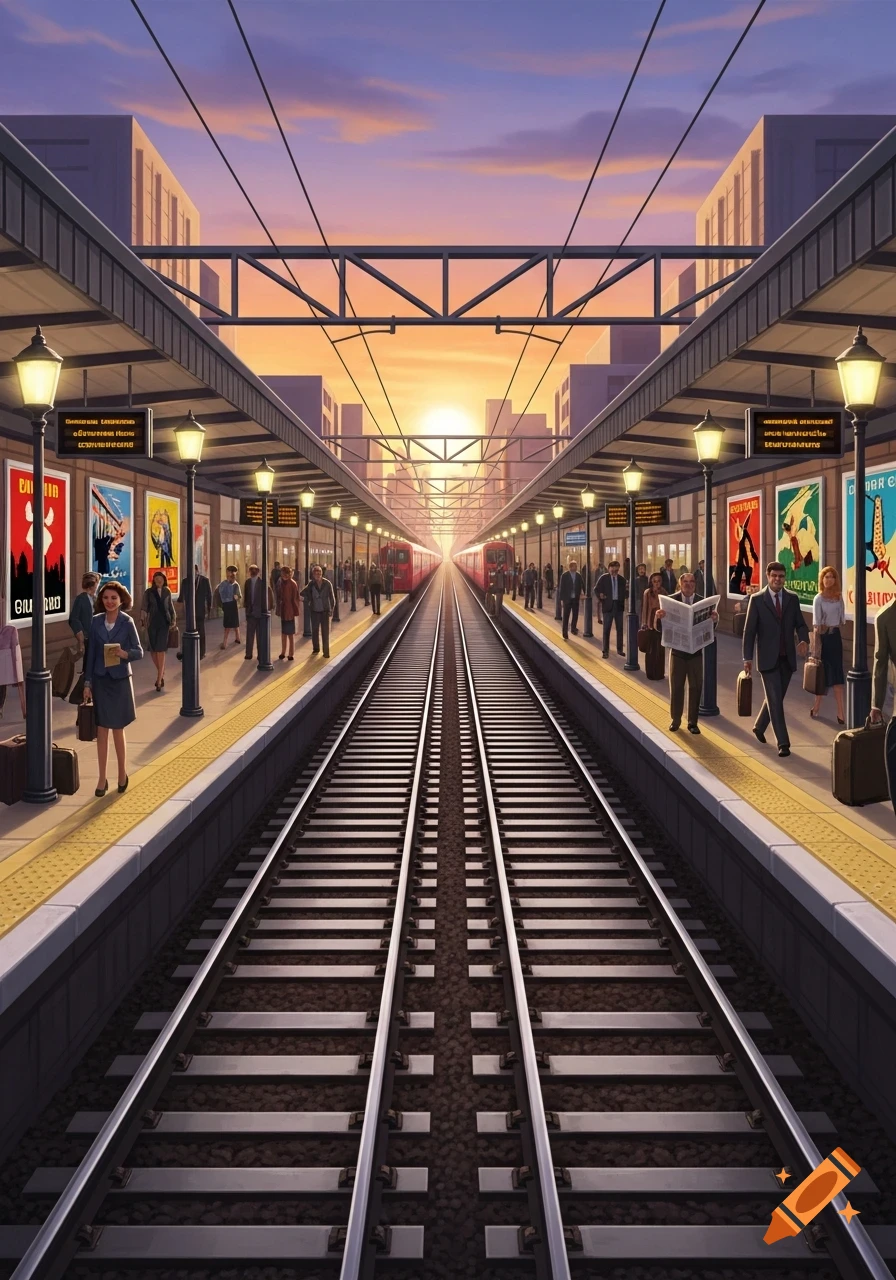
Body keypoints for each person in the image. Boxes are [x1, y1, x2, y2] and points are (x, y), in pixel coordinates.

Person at [742, 560, 809, 758]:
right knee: (776, 702)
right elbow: (749, 631)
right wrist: (747, 658)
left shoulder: (792, 599)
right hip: (767, 659)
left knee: (775, 698)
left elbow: (801, 624)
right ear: (768, 576)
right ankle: (783, 743)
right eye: (774, 576)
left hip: (787, 658)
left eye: (781, 576)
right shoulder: (757, 600)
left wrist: (804, 639)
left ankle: (759, 727)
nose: (778, 580)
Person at [82, 581, 143, 796]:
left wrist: (124, 654)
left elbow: (138, 651)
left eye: (113, 598)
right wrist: (87, 684)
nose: (109, 601)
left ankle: (122, 774)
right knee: (101, 730)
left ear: (121, 600)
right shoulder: (95, 621)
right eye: (106, 598)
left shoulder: (127, 622)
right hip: (100, 680)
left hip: (119, 681)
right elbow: (90, 656)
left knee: (118, 729)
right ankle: (101, 779)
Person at [655, 571, 718, 734]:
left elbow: (709, 629)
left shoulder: (701, 602)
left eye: (692, 582)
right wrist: (659, 618)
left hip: (695, 653)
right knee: (676, 687)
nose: (689, 585)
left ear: (695, 584)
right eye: (686, 582)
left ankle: (692, 722)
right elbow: (660, 628)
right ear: (680, 584)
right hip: (677, 652)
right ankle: (675, 720)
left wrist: (714, 621)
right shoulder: (671, 601)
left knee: (696, 687)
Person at [810, 566, 846, 725]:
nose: (828, 579)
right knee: (822, 675)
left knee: (837, 676)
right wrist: (816, 647)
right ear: (822, 580)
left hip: (835, 637)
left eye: (831, 577)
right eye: (826, 577)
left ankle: (841, 712)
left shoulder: (839, 597)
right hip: (823, 639)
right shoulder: (818, 598)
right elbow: (816, 624)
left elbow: (842, 620)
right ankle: (816, 706)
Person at [871, 597, 896, 814]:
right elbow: (880, 663)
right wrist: (876, 705)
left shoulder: (885, 616)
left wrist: (876, 706)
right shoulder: (885, 616)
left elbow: (880, 661)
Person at [140, 570, 175, 692]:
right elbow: (144, 608)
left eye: (161, 579)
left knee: (161, 649)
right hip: (152, 623)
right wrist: (143, 622)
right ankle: (162, 670)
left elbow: (170, 606)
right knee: (153, 650)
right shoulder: (149, 592)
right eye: (156, 579)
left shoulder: (167, 591)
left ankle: (159, 679)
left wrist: (173, 619)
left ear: (164, 580)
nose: (159, 581)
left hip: (164, 623)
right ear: (154, 581)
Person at [177, 564, 212, 661]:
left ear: (197, 571)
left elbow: (209, 595)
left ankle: (202, 652)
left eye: (194, 571)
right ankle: (188, 652)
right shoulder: (185, 581)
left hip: (200, 610)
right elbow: (181, 596)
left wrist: (209, 608)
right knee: (188, 631)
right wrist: (180, 604)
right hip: (188, 610)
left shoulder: (204, 580)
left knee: (201, 631)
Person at [302, 563, 336, 658]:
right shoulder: (311, 584)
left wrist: (331, 610)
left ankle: (326, 652)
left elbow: (332, 598)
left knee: (325, 632)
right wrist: (306, 599)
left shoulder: (327, 583)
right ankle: (316, 649)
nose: (317, 574)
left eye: (319, 572)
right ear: (313, 574)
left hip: (325, 611)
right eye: (316, 573)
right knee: (315, 631)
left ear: (321, 574)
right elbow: (303, 593)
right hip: (314, 611)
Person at [595, 560, 626, 658]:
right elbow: (596, 589)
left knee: (620, 629)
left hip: (618, 606)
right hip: (608, 606)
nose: (614, 572)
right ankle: (605, 651)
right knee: (606, 629)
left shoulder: (622, 580)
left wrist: (624, 595)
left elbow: (626, 592)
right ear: (609, 569)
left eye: (616, 570)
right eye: (612, 570)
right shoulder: (604, 578)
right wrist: (600, 596)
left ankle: (619, 649)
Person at [640, 571, 667, 681]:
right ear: (651, 582)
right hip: (650, 622)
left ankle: (659, 673)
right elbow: (645, 608)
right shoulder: (647, 592)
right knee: (650, 650)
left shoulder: (664, 592)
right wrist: (644, 623)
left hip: (661, 623)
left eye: (659, 581)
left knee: (660, 650)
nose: (657, 583)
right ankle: (650, 673)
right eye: (654, 581)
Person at [69, 572, 99, 661]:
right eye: (97, 584)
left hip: (97, 635)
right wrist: (80, 637)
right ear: (92, 585)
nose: (97, 586)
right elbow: (74, 619)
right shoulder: (81, 599)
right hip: (87, 636)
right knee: (88, 661)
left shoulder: (95, 598)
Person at [243, 563, 268, 661]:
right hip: (250, 612)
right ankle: (248, 654)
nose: (253, 572)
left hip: (260, 612)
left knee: (259, 635)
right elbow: (245, 597)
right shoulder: (247, 582)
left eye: (255, 570)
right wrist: (246, 609)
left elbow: (266, 597)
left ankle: (260, 654)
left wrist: (264, 610)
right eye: (251, 570)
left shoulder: (262, 582)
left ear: (258, 572)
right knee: (249, 635)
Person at [0, 624, 25, 720]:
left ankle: (0, 708)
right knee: (2, 684)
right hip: (5, 662)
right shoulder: (10, 630)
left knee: (1, 685)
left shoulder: (10, 630)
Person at [276, 564, 301, 660]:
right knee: (283, 633)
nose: (283, 576)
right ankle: (283, 652)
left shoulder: (293, 584)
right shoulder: (280, 582)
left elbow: (295, 598)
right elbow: (278, 595)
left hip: (289, 611)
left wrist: (295, 611)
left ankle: (291, 653)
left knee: (290, 633)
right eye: (282, 574)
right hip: (283, 610)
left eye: (285, 574)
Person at [215, 564, 242, 649]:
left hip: (231, 605)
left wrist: (236, 597)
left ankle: (226, 642)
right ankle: (236, 638)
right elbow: (218, 593)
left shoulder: (235, 585)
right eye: (230, 573)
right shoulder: (224, 584)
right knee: (231, 623)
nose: (231, 576)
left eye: (233, 574)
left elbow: (239, 595)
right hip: (228, 605)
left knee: (232, 624)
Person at [558, 559, 585, 640]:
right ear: (570, 567)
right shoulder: (565, 575)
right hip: (567, 599)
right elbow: (562, 588)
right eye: (574, 566)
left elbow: (582, 584)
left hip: (575, 599)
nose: (576, 568)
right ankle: (565, 632)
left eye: (576, 566)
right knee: (566, 616)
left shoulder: (578, 575)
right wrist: (561, 599)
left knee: (575, 615)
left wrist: (585, 593)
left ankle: (573, 628)